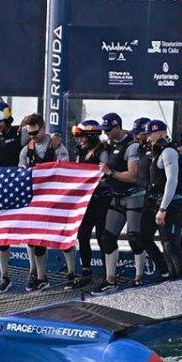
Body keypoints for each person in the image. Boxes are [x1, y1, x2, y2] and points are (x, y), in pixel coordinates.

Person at [91, 113, 146, 294]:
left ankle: (139, 278)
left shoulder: (132, 145)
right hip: (117, 195)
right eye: (104, 130)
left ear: (118, 127)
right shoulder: (107, 144)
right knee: (107, 237)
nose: (106, 133)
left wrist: (110, 172)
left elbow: (133, 176)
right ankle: (110, 279)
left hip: (134, 195)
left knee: (134, 237)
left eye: (108, 130)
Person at [18, 113, 73, 291]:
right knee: (36, 238)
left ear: (43, 128)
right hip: (37, 201)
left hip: (57, 199)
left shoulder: (57, 146)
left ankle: (72, 273)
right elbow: (21, 174)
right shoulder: (26, 150)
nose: (32, 137)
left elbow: (65, 171)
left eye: (35, 133)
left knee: (63, 235)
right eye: (30, 134)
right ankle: (41, 276)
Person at [0, 101, 30, 294]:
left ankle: (34, 273)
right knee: (3, 236)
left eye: (0, 121)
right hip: (3, 189)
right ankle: (5, 277)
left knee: (28, 232)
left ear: (8, 118)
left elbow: (39, 139)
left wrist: (56, 137)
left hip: (22, 187)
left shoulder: (21, 133)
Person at [143, 119, 182, 278]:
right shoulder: (157, 152)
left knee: (171, 246)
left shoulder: (168, 152)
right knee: (158, 241)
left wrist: (162, 208)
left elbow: (172, 180)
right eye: (148, 134)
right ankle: (170, 277)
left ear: (162, 133)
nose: (150, 137)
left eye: (152, 133)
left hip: (173, 204)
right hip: (160, 203)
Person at [72, 119, 111, 287]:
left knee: (102, 236)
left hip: (101, 198)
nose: (80, 140)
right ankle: (86, 271)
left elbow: (104, 174)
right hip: (85, 200)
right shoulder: (80, 150)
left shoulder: (102, 150)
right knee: (83, 235)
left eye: (83, 137)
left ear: (92, 136)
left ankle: (106, 274)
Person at [131, 117, 169, 281]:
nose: (138, 138)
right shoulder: (141, 147)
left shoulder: (165, 149)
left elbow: (178, 174)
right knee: (142, 236)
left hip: (162, 200)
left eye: (143, 134)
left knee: (168, 243)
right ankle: (164, 271)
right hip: (149, 198)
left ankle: (171, 275)